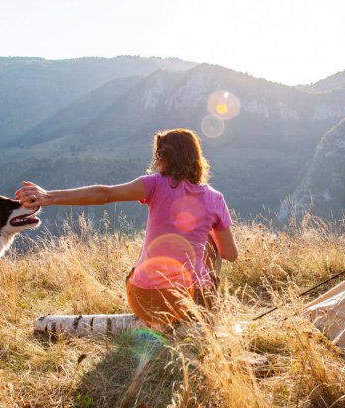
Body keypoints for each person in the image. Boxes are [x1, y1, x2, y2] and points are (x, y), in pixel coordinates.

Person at [16, 128, 238, 329]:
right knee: (211, 241)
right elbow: (230, 254)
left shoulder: (155, 184)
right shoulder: (215, 198)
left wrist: (48, 197)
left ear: (164, 158)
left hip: (146, 298)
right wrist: (203, 230)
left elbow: (104, 193)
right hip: (195, 300)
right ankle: (203, 313)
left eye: (158, 155)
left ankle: (161, 316)